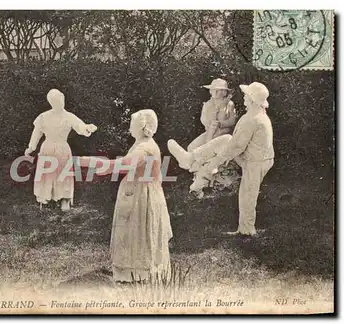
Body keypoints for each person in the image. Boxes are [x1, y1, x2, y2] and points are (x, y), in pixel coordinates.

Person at [168, 82, 274, 236]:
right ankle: (193, 161)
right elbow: (236, 144)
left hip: (256, 162)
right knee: (225, 140)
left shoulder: (253, 119)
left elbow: (237, 147)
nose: (243, 99)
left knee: (247, 195)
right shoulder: (255, 115)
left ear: (251, 99)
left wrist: (215, 162)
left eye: (246, 96)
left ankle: (247, 230)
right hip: (252, 156)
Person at [79, 109, 173, 283]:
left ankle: (140, 272)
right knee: (130, 231)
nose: (130, 127)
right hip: (136, 191)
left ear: (142, 127)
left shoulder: (145, 148)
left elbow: (125, 164)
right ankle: (131, 271)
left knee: (137, 230)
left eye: (133, 124)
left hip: (141, 194)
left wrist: (97, 164)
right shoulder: (141, 143)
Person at [25, 89, 97, 211]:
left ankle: (65, 199)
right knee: (47, 173)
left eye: (60, 100)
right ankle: (45, 198)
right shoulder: (44, 117)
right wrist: (31, 147)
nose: (59, 103)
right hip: (47, 147)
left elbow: (80, 127)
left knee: (63, 173)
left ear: (63, 99)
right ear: (51, 103)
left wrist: (88, 128)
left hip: (62, 147)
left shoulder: (69, 116)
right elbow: (36, 134)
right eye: (55, 101)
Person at [187, 78, 237, 152]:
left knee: (210, 149)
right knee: (192, 147)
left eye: (219, 90)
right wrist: (210, 124)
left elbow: (233, 120)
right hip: (209, 132)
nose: (216, 92)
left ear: (225, 92)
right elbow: (203, 118)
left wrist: (221, 124)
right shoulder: (207, 104)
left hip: (223, 132)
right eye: (214, 90)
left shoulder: (229, 104)